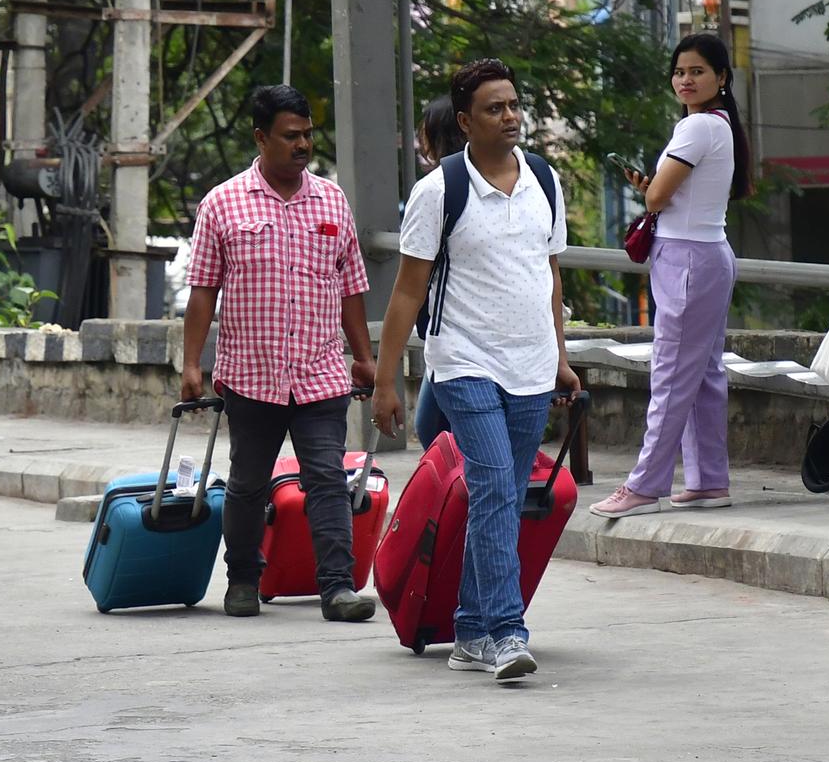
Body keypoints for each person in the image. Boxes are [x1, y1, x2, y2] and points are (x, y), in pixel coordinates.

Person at [370, 59, 580, 683]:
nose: (511, 117)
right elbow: (407, 292)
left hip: (532, 365)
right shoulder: (440, 192)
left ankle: (468, 629)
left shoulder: (544, 177)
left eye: (515, 105)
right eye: (495, 108)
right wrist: (386, 381)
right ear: (465, 122)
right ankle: (508, 631)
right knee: (492, 486)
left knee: (507, 497)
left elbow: (550, 273)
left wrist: (561, 357)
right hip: (464, 360)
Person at [182, 84, 377, 623]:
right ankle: (243, 579)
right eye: (290, 136)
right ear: (261, 138)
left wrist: (363, 357)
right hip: (251, 376)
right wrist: (192, 363)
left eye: (308, 134)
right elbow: (203, 291)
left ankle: (337, 587)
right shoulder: (222, 203)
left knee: (327, 481)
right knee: (247, 485)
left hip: (320, 374)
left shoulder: (332, 200)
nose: (303, 145)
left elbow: (351, 289)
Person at [590, 33, 751, 519]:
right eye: (680, 72)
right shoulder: (718, 126)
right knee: (702, 374)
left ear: (721, 78)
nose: (686, 79)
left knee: (671, 374)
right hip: (706, 256)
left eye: (697, 71)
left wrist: (650, 190)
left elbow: (658, 199)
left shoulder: (696, 127)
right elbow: (670, 192)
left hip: (687, 261)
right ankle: (707, 482)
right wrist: (654, 187)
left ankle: (644, 485)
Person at [412, 96, 467, 449]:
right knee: (435, 429)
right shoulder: (439, 186)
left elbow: (410, 284)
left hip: (456, 338)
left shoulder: (438, 189)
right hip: (441, 338)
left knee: (434, 428)